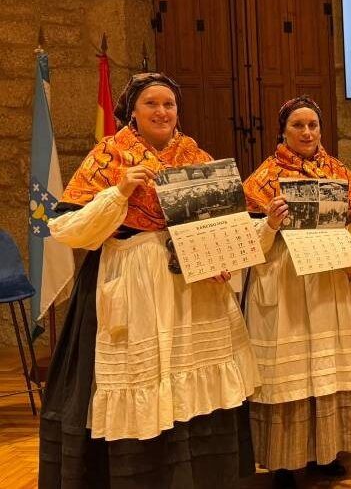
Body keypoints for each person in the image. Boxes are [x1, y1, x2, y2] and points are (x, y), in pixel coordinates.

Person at [38, 73, 259, 488]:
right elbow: (66, 228)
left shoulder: (196, 157)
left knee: (195, 381)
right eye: (152, 104)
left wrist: (225, 258)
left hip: (194, 287)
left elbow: (226, 222)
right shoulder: (110, 157)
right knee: (144, 379)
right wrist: (119, 192)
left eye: (169, 104)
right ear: (132, 113)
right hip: (135, 278)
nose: (162, 112)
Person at [242, 96, 351, 488]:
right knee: (291, 373)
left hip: (331, 286)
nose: (307, 133)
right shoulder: (263, 178)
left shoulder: (339, 173)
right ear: (282, 131)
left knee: (328, 370)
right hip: (286, 284)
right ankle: (285, 462)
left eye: (313, 125)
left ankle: (327, 453)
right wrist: (270, 224)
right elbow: (243, 242)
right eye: (298, 126)